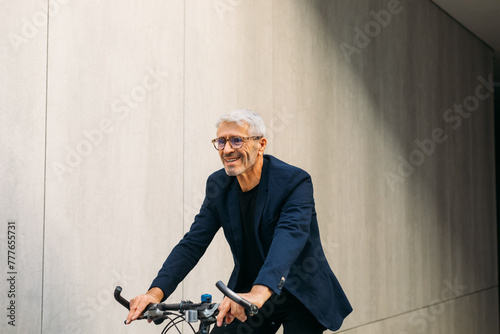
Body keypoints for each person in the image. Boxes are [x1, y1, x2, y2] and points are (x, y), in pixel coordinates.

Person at [126, 109, 352, 333]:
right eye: (221, 141)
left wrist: (259, 292)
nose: (227, 149)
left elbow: (289, 238)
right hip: (248, 291)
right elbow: (193, 243)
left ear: (261, 144)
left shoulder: (294, 181)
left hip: (300, 291)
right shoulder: (218, 185)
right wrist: (155, 293)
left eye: (236, 140)